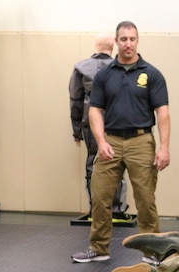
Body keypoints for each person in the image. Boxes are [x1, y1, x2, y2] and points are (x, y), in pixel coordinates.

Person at [71, 20, 171, 263]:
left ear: (138, 41)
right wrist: (100, 141)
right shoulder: (105, 75)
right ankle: (99, 248)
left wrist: (164, 148)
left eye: (132, 39)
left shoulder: (152, 74)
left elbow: (163, 113)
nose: (128, 43)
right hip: (111, 142)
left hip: (141, 142)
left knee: (145, 199)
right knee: (100, 196)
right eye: (123, 39)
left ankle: (152, 252)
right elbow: (95, 111)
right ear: (116, 42)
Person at [68, 32, 128, 218]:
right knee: (117, 163)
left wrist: (76, 131)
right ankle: (116, 209)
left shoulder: (80, 68)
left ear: (96, 46)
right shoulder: (121, 68)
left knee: (92, 162)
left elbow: (75, 100)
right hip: (117, 123)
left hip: (90, 122)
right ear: (113, 47)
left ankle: (95, 208)